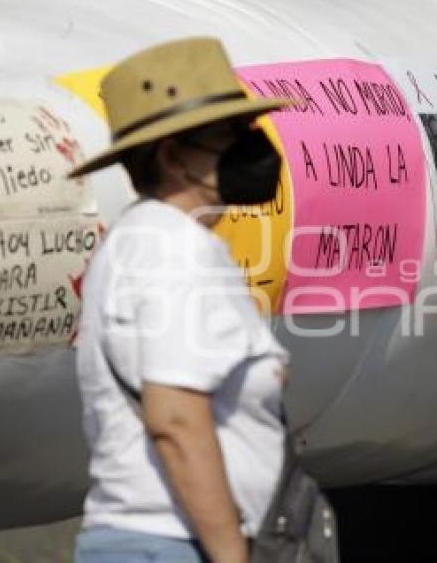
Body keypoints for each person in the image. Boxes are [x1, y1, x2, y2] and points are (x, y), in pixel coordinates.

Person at [68, 37, 293, 563]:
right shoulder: (174, 249)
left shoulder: (141, 241)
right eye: (229, 135)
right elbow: (176, 419)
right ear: (173, 157)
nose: (253, 145)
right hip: (171, 545)